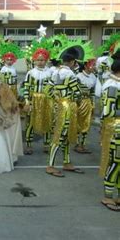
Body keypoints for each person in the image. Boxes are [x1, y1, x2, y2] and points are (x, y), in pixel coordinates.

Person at [45, 48, 83, 177]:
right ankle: (51, 165)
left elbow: (47, 90)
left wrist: (56, 99)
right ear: (72, 62)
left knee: (63, 135)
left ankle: (66, 162)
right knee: (61, 135)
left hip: (58, 106)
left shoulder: (55, 72)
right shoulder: (71, 75)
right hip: (68, 107)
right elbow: (78, 93)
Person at [23, 48, 54, 154]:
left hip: (46, 100)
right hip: (34, 100)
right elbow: (26, 87)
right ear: (34, 61)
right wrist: (27, 101)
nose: (40, 62)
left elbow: (53, 88)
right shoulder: (31, 73)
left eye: (42, 60)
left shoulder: (50, 73)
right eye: (38, 60)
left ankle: (46, 144)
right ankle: (28, 145)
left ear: (46, 61)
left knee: (47, 121)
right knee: (30, 123)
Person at [99, 59, 120, 211]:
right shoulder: (112, 85)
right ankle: (108, 196)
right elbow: (108, 112)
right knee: (115, 162)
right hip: (115, 128)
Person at [75, 59, 97, 154]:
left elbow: (92, 92)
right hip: (79, 102)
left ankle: (83, 144)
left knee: (87, 123)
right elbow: (76, 91)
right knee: (78, 123)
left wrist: (92, 104)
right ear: (85, 66)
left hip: (88, 102)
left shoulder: (93, 77)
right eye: (92, 65)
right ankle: (77, 144)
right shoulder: (78, 76)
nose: (94, 67)